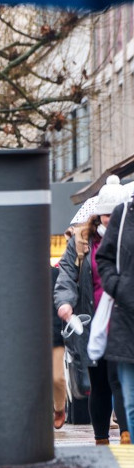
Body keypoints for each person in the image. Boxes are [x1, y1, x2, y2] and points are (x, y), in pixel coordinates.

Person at [58, 176, 131, 445]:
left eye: (114, 215)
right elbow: (66, 276)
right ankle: (101, 439)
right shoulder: (81, 242)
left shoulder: (130, 238)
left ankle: (126, 434)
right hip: (92, 325)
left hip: (123, 322)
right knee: (99, 383)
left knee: (119, 380)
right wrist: (65, 302)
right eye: (104, 215)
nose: (109, 220)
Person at [95, 181, 134, 442]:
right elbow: (104, 260)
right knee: (127, 401)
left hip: (120, 322)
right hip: (120, 323)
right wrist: (117, 286)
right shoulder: (124, 215)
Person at [51, 262, 67, 429]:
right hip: (29, 336)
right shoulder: (20, 275)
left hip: (54, 333)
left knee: (57, 377)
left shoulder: (56, 275)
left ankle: (59, 408)